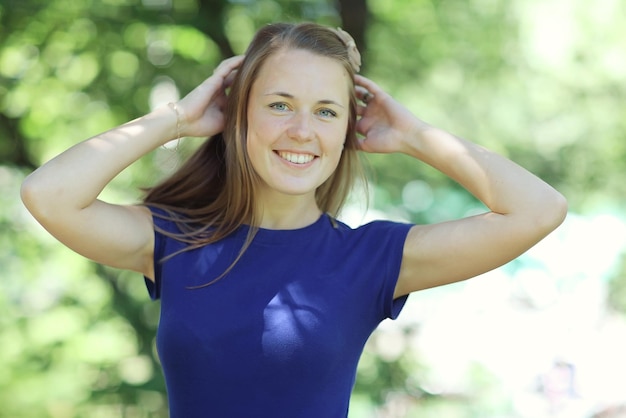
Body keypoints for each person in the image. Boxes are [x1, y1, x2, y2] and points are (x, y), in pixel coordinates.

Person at [20, 22, 567, 417]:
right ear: (240, 115)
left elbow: (540, 209)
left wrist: (416, 135)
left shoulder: (372, 260)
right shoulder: (173, 241)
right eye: (279, 104)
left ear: (346, 128)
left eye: (326, 111)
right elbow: (48, 194)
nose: (303, 130)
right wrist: (179, 118)